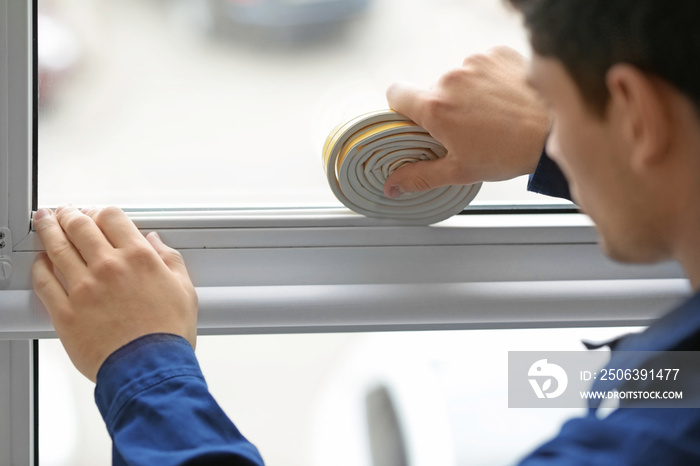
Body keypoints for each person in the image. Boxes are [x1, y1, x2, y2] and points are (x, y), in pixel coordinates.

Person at [30, 0, 700, 463]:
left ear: (639, 115)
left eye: (550, 101)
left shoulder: (652, 443)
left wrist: (144, 363)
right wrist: (576, 133)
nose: (550, 132)